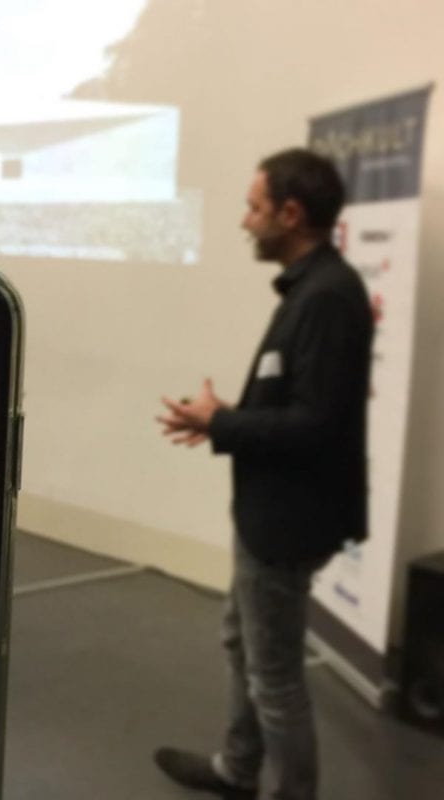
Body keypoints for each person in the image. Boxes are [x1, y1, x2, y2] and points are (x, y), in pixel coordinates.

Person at [155, 147, 371, 800]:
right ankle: (238, 769)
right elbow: (303, 407)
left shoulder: (327, 297)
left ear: (291, 212)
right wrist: (224, 419)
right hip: (274, 512)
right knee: (243, 644)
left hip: (289, 518)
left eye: (254, 208)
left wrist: (222, 423)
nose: (246, 222)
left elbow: (316, 425)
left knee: (273, 675)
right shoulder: (312, 289)